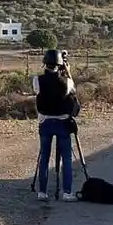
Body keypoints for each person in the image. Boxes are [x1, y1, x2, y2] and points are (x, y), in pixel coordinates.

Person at [32, 49, 78, 201]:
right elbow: (73, 92)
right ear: (60, 64)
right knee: (66, 158)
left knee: (44, 157)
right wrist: (68, 72)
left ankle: (42, 192)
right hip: (63, 123)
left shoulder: (37, 80)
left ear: (45, 63)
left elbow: (38, 93)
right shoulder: (67, 82)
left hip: (45, 122)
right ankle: (67, 192)